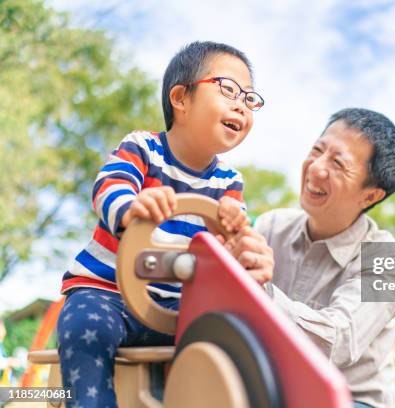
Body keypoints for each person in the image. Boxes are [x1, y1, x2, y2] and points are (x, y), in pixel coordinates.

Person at [56, 40, 265, 407]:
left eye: (249, 98)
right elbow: (109, 186)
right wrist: (133, 207)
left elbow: (231, 244)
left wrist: (232, 230)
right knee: (83, 329)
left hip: (178, 310)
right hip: (109, 293)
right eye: (228, 89)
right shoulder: (143, 148)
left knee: (230, 343)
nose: (240, 104)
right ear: (181, 98)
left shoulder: (229, 182)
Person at [224, 108, 395, 408]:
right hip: (277, 388)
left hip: (350, 400)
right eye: (317, 150)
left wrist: (258, 293)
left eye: (338, 163)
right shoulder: (272, 226)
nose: (316, 168)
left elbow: (335, 341)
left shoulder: (386, 260)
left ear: (370, 196)